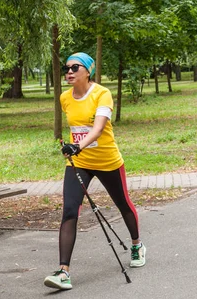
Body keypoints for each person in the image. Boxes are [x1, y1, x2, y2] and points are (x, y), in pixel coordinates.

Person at [44, 52, 145, 291]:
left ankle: (137, 244)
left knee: (123, 204)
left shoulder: (102, 94)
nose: (69, 72)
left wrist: (77, 145)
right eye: (66, 68)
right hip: (78, 163)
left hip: (107, 161)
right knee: (69, 210)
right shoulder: (64, 98)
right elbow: (75, 130)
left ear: (88, 71)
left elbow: (98, 129)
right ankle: (63, 272)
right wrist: (72, 147)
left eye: (75, 67)